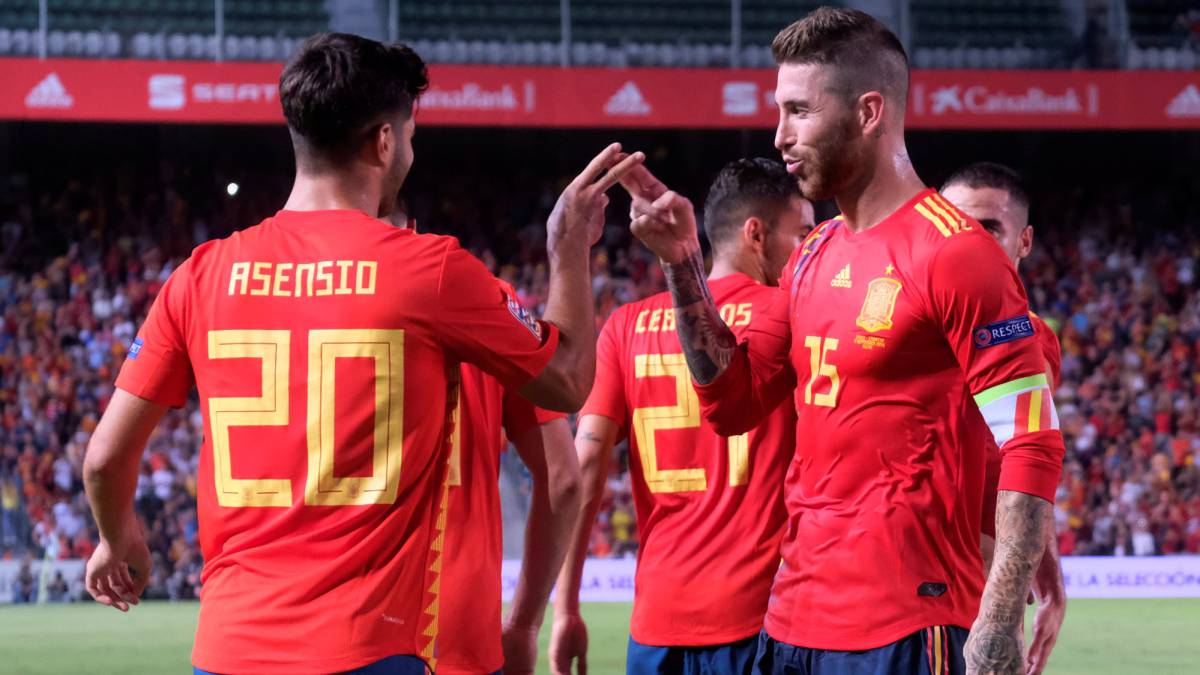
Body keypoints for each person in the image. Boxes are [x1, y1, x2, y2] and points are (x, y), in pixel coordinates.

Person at [81, 32, 641, 674]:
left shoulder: (201, 275)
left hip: (229, 649)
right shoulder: (431, 271)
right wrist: (567, 246)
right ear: (384, 141)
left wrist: (117, 538)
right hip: (370, 646)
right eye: (410, 135)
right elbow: (569, 385)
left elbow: (103, 460)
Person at [620, 8, 1065, 675]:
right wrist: (682, 262)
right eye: (780, 111)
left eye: (799, 110)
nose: (780, 135)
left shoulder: (956, 255)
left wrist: (998, 618)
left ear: (868, 112)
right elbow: (731, 403)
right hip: (790, 620)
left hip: (906, 624)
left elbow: (1031, 439)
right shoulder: (812, 255)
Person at [551, 158, 811, 675]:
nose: (808, 250)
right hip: (761, 619)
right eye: (801, 233)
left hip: (656, 626)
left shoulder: (624, 327)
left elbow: (584, 469)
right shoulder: (792, 313)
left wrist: (565, 608)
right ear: (755, 234)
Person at [387, 206, 583, 675]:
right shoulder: (481, 296)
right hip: (453, 636)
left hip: (296, 634)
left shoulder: (254, 288)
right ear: (412, 227)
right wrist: (524, 626)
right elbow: (563, 479)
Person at [941, 162, 1066, 675]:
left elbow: (1022, 458)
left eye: (989, 227)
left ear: (1025, 240)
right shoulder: (891, 326)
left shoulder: (1036, 340)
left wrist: (1047, 564)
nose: (970, 239)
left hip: (986, 612)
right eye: (956, 223)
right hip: (894, 604)